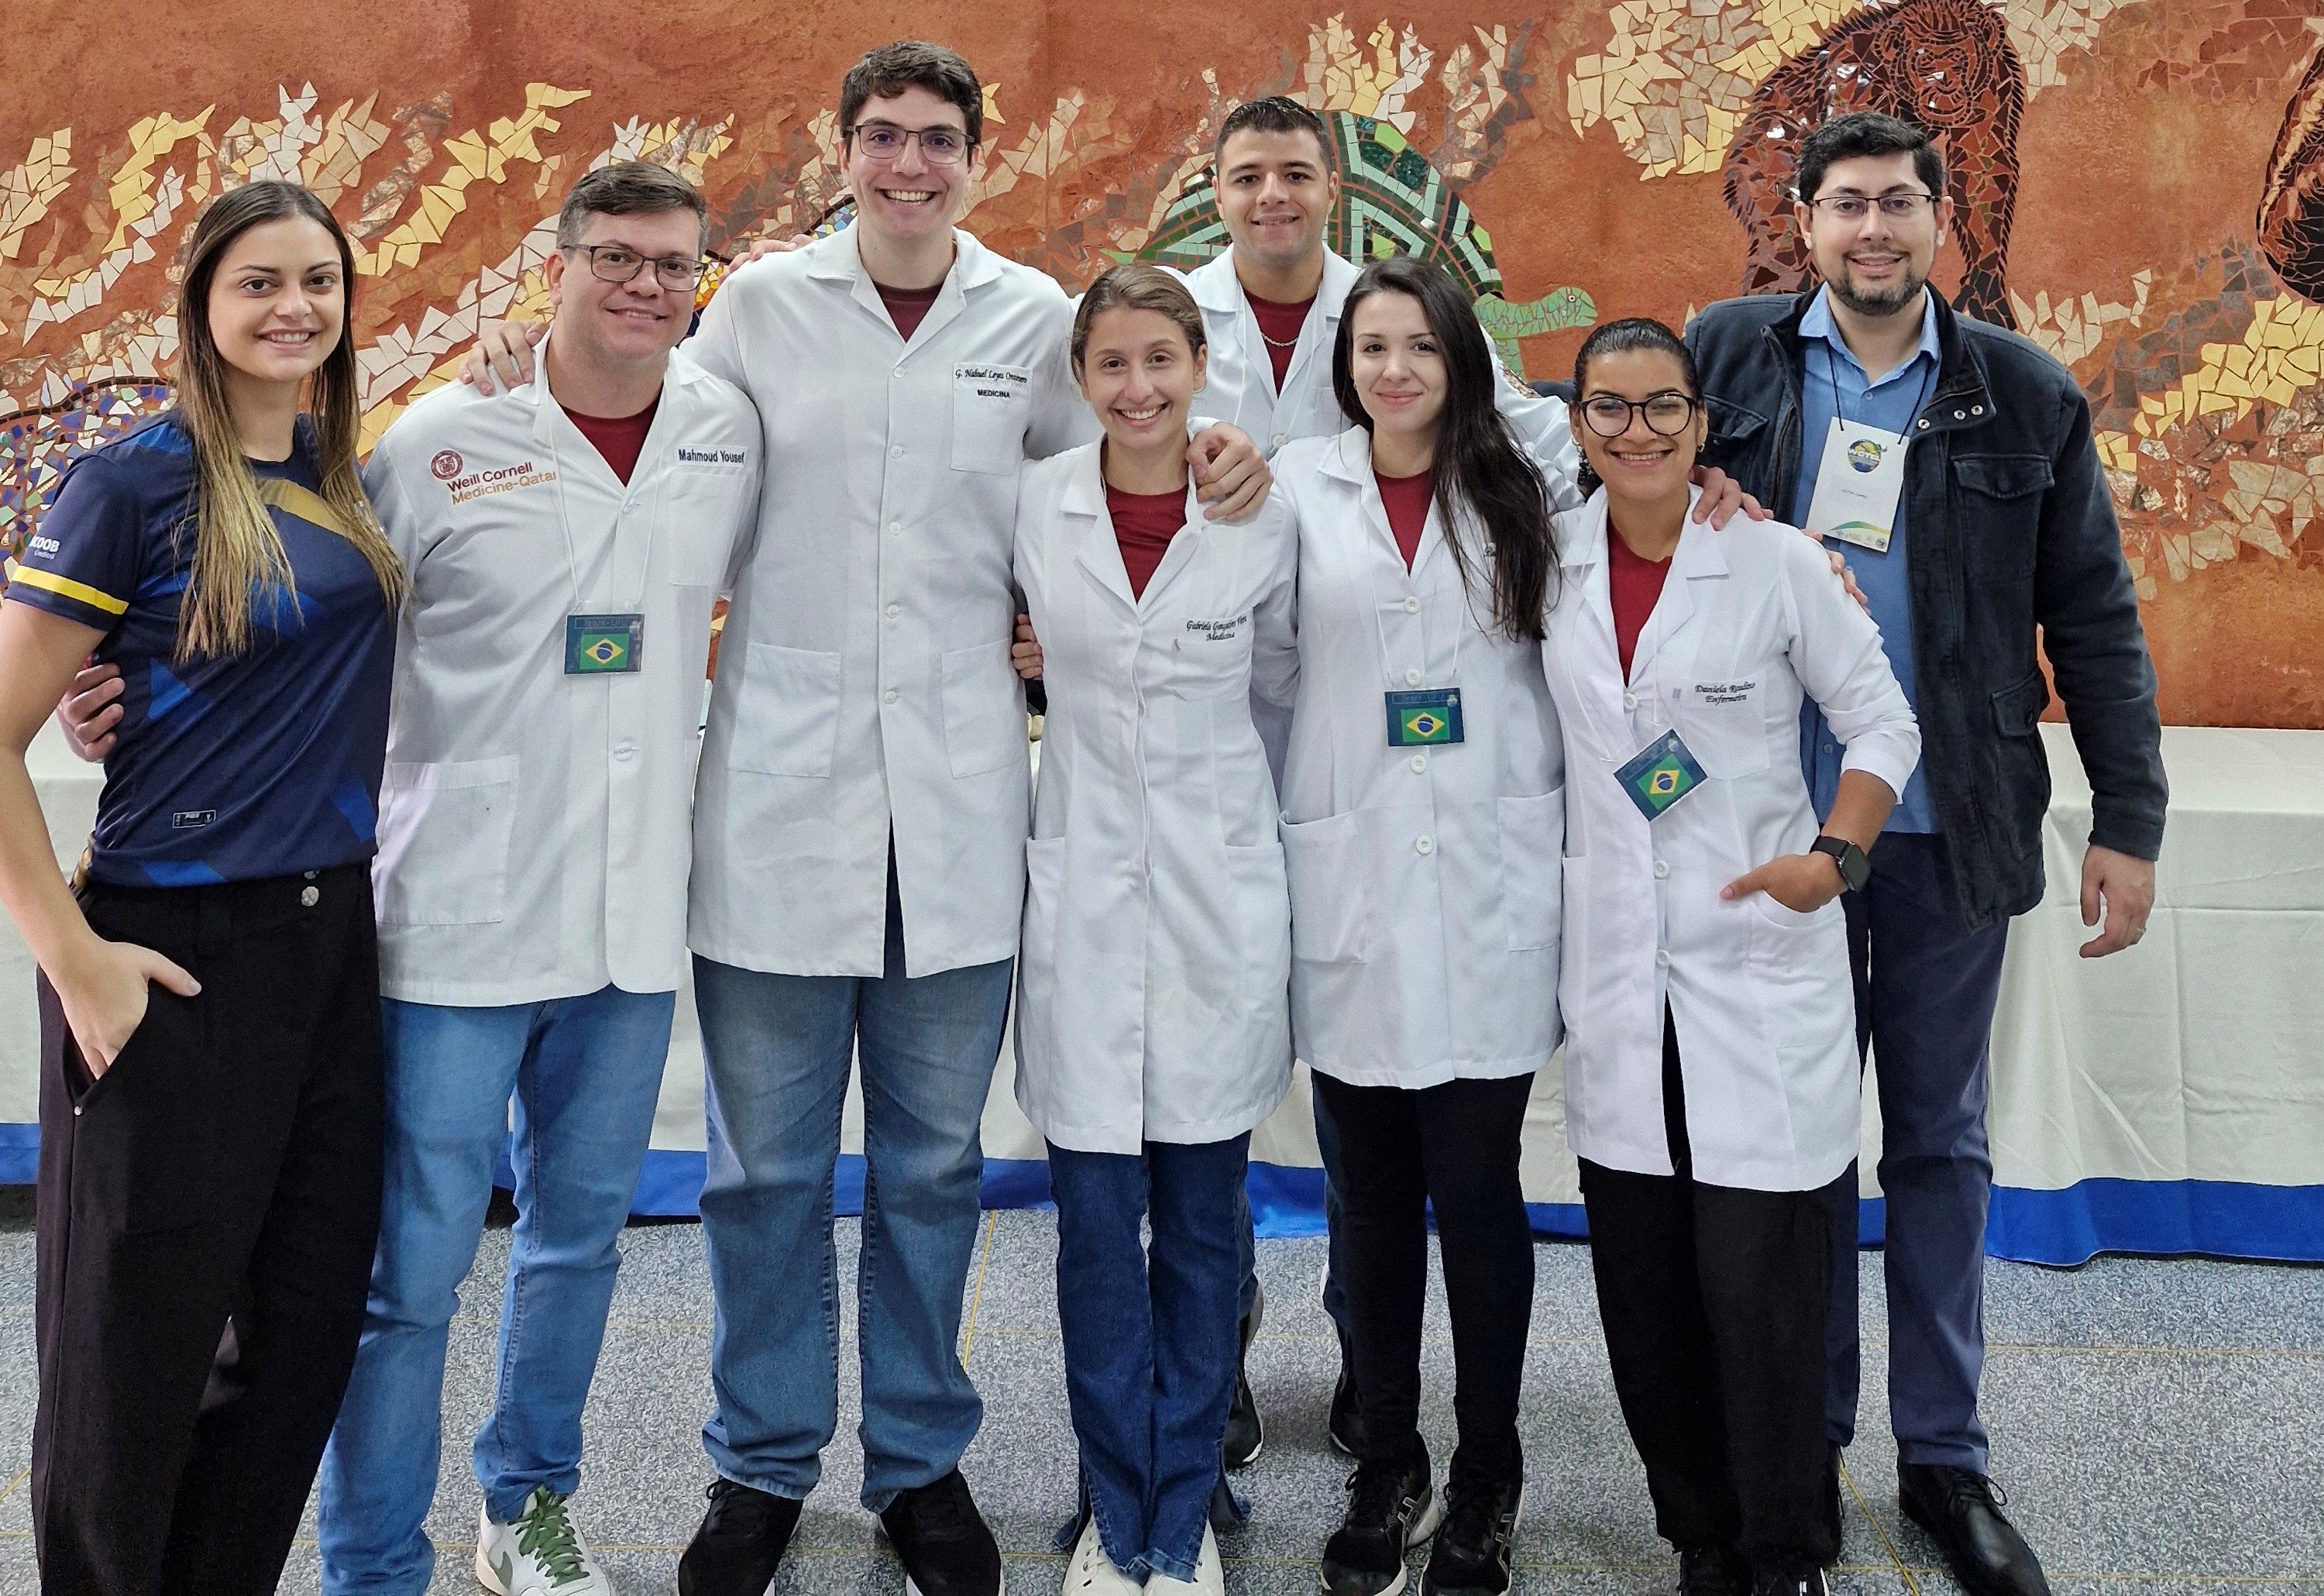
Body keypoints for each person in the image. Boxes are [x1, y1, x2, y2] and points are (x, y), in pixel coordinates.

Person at [456, 42, 1270, 1596]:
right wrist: (519, 365)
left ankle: (916, 1463)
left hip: (959, 808)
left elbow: (1112, 475)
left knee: (933, 1171)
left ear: (977, 157)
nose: (909, 164)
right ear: (841, 151)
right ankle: (762, 1462)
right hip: (777, 793)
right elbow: (646, 448)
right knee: (763, 1175)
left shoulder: (1029, 319)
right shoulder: (760, 307)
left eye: (938, 139)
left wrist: (1226, 454)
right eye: (883, 136)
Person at [1683, 112, 2166, 1596]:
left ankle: (1943, 1459)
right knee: (1796, 1146)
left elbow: (2093, 613)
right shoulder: (1728, 356)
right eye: (1847, 205)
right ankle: (1804, 1447)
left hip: (1950, 827)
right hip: (1777, 830)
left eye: (1900, 203)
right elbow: (1614, 516)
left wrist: (2130, 820)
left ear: (1940, 220)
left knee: (1942, 1142)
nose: (1874, 230)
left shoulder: (2020, 390)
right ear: (1804, 220)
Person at [308, 162, 762, 1596]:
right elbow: (319, 639)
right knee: (411, 1270)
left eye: (672, 264)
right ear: (554, 265)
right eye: (614, 256)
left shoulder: (723, 431)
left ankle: (526, 1505)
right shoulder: (443, 438)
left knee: (578, 1244)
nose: (645, 285)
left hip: (629, 923)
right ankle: (374, 1559)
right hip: (458, 916)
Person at [0, 180, 404, 1592]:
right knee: (131, 1357)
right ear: (202, 304)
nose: (296, 307)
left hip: (330, 946)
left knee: (297, 1336)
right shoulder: (129, 486)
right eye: (260, 282)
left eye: (319, 281)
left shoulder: (342, 474)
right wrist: (79, 965)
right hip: (173, 950)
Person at [1542, 317, 1920, 1596]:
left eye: (1664, 406)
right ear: (1580, 426)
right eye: (1609, 407)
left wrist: (1835, 857)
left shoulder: (1776, 562)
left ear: (1703, 425)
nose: (1637, 430)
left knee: (1762, 1296)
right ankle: (1699, 1536)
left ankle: (1783, 1549)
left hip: (1757, 962)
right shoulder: (1549, 564)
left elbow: (1882, 722)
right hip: (1619, 976)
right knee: (1645, 1296)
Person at [1270, 254, 1564, 1596]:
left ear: (1461, 355)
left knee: (1482, 1195)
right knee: (1370, 1203)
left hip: (1489, 883)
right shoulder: (1297, 486)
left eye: (1421, 346)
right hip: (1356, 878)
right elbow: (1263, 660)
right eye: (1371, 348)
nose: (1394, 371)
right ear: (1346, 368)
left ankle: (1489, 1473)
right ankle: (1387, 1461)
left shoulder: (1526, 480)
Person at [1010, 263, 1298, 1596]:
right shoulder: (1036, 505)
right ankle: (1111, 1499)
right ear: (1081, 379)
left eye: (1160, 361)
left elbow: (1291, 682)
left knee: (1199, 1229)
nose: (1138, 389)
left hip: (1215, 898)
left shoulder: (1262, 512)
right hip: (1082, 900)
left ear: (1200, 368)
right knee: (1091, 1231)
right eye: (1112, 365)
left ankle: (1179, 1512)